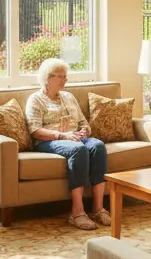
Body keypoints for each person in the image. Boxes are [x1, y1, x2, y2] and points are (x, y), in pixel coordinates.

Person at [25, 58, 109, 231]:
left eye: (66, 77)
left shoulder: (69, 97)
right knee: (78, 149)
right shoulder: (36, 99)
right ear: (48, 78)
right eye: (60, 76)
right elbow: (35, 131)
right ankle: (77, 212)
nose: (64, 80)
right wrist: (62, 135)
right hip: (49, 141)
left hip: (74, 137)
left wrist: (84, 131)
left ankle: (97, 208)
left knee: (98, 146)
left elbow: (84, 123)